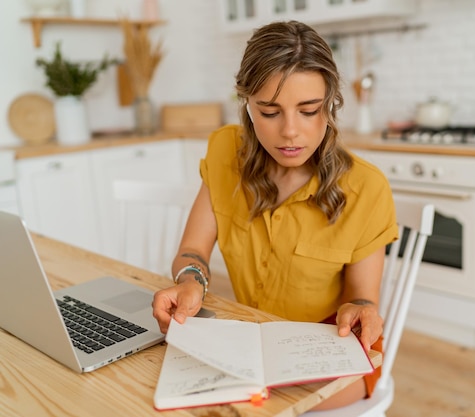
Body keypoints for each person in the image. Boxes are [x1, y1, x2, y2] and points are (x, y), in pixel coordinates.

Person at [152, 20, 398, 410]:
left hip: (332, 347)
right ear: (246, 102)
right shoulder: (224, 152)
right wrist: (190, 280)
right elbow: (193, 251)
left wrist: (362, 310)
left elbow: (363, 299)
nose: (290, 132)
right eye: (269, 111)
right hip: (251, 339)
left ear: (331, 103)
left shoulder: (367, 188)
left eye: (308, 110)